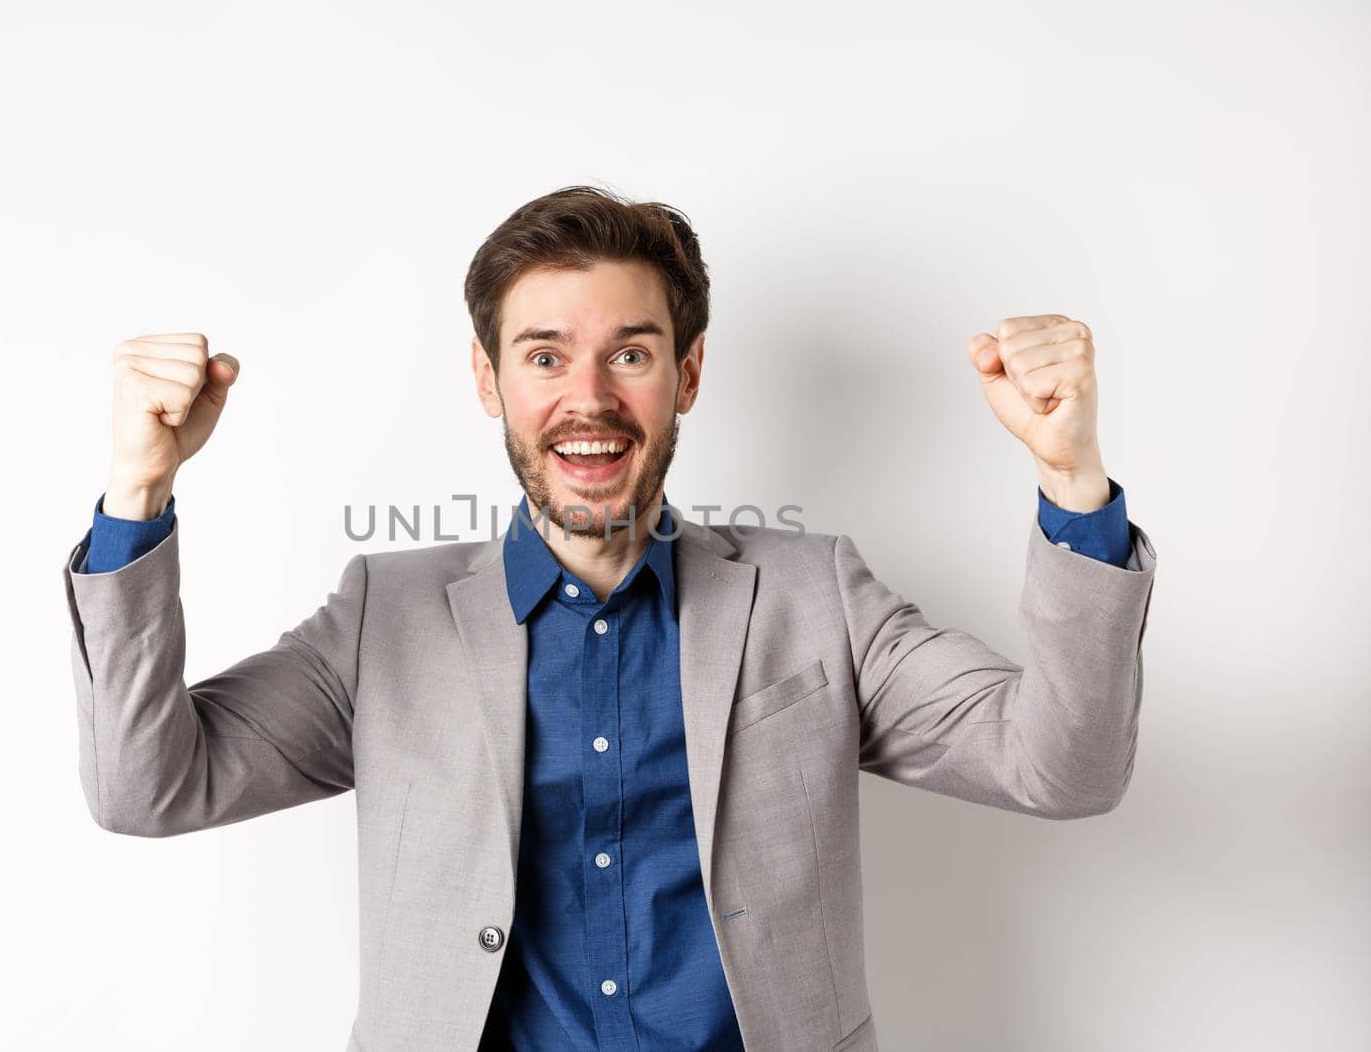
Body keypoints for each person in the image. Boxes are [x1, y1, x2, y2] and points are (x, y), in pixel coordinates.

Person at [61, 185, 1158, 1051]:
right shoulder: (382, 617)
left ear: (684, 373)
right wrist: (137, 490)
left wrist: (1072, 483)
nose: (587, 397)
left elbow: (1062, 767)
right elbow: (146, 785)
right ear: (489, 380)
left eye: (629, 353)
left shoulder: (813, 594)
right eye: (543, 355)